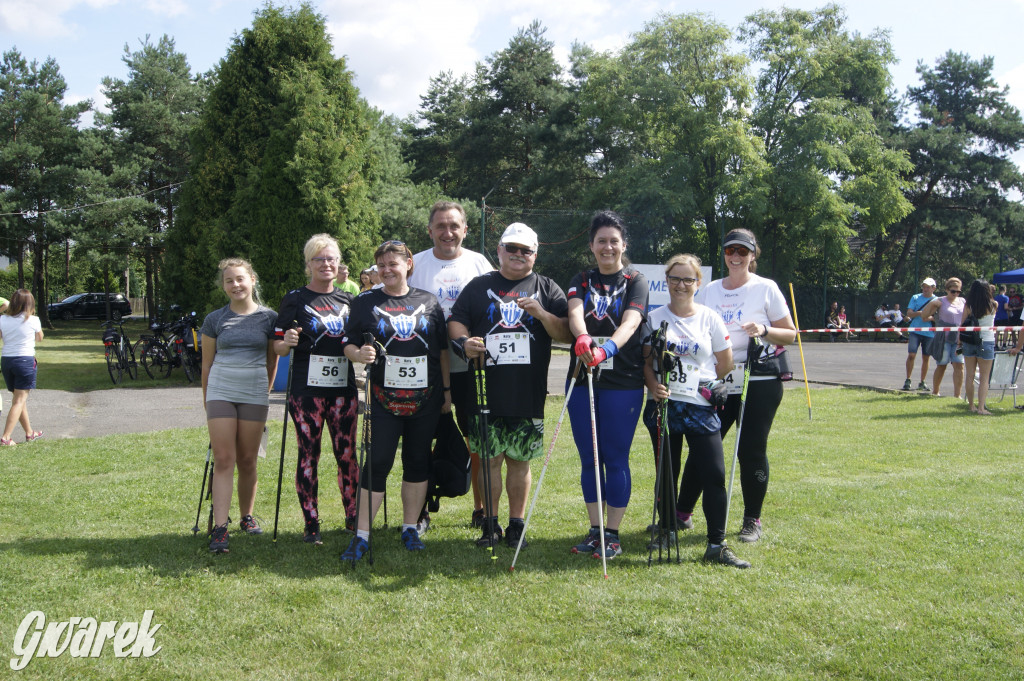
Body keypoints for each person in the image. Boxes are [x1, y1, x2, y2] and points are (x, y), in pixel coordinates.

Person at [448, 222, 571, 549]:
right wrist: (463, 343)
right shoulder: (479, 285)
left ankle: (516, 525)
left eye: (525, 250)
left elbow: (566, 333)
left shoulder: (546, 288)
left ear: (535, 254)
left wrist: (542, 314)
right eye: (511, 249)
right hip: (485, 389)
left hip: (527, 392)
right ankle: (490, 525)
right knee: (488, 459)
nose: (518, 255)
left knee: (519, 459)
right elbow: (456, 320)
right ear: (499, 250)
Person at [339, 240, 451, 563]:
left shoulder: (428, 302)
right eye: (381, 265)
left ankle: (410, 527)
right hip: (383, 402)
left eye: (393, 263)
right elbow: (348, 344)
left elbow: (441, 351)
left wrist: (446, 392)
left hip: (425, 400)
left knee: (417, 462)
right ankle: (361, 536)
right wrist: (359, 353)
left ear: (408, 264)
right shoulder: (365, 302)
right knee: (377, 464)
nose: (387, 270)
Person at [686, 228, 797, 543]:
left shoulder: (766, 289)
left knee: (750, 450)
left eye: (743, 252)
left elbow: (789, 333)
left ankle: (752, 520)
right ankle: (682, 512)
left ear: (753, 255)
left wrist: (763, 328)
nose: (735, 257)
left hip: (758, 378)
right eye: (730, 251)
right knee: (705, 447)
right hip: (718, 378)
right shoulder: (708, 291)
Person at [643, 254, 747, 568]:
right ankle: (668, 529)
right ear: (667, 280)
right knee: (667, 472)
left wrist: (708, 381)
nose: (681, 284)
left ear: (697, 283)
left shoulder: (709, 318)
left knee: (713, 473)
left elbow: (725, 362)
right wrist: (653, 386)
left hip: (701, 405)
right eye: (675, 278)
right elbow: (646, 362)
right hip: (665, 404)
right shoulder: (654, 317)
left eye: (688, 279)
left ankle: (717, 544)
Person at [566, 211, 648, 559]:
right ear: (592, 245)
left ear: (623, 244)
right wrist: (583, 336)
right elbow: (573, 311)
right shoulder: (581, 278)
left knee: (614, 458)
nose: (608, 247)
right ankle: (595, 529)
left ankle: (612, 533)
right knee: (589, 459)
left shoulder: (635, 279)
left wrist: (608, 348)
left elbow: (631, 322)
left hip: (622, 381)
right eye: (601, 241)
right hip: (583, 380)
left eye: (614, 240)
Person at [408, 200, 492, 531]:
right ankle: (421, 510)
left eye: (454, 225)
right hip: (427, 366)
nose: (447, 232)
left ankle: (483, 509)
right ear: (429, 230)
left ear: (465, 230)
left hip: (471, 368)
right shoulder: (415, 264)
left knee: (477, 438)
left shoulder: (479, 263)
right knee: (424, 438)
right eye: (440, 226)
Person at [274, 234, 359, 545]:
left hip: (343, 389)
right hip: (306, 391)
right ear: (308, 263)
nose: (326, 264)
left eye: (331, 258)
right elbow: (278, 346)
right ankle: (311, 522)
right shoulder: (295, 299)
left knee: (346, 453)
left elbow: (361, 336)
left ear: (339, 264)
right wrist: (287, 343)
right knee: (309, 453)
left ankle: (353, 514)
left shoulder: (350, 300)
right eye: (319, 259)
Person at [201, 259, 278, 553]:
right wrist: (207, 399)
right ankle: (220, 528)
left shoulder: (269, 318)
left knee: (248, 459)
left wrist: (264, 392)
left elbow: (273, 361)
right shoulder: (214, 320)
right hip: (220, 391)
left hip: (254, 393)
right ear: (224, 286)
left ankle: (247, 516)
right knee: (223, 458)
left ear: (253, 280)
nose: (235, 285)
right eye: (229, 281)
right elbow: (207, 365)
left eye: (240, 279)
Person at [0, 289, 43, 446]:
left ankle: (29, 432)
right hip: (25, 360)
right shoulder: (33, 320)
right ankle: (6, 437)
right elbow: (40, 338)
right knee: (19, 400)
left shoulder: (3, 319)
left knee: (18, 399)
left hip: (6, 361)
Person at [922, 277, 966, 398]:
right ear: (947, 290)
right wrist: (932, 303)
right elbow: (924, 316)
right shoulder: (940, 301)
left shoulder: (962, 301)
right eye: (953, 291)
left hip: (959, 339)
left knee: (959, 365)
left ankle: (957, 395)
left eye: (958, 291)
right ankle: (936, 391)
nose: (956, 294)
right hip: (944, 338)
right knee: (942, 364)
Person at [960, 279, 998, 415]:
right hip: (986, 341)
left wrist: (959, 343)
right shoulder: (994, 305)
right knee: (984, 377)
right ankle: (981, 408)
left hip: (970, 341)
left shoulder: (969, 305)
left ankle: (971, 406)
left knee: (969, 376)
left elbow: (962, 324)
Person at [903, 277, 938, 391]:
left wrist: (930, 318)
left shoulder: (937, 300)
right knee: (911, 354)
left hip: (929, 332)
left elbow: (939, 317)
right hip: (915, 330)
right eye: (924, 286)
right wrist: (919, 313)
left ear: (933, 288)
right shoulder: (915, 297)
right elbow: (909, 314)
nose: (925, 289)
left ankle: (922, 381)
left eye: (928, 287)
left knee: (926, 357)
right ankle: (908, 379)